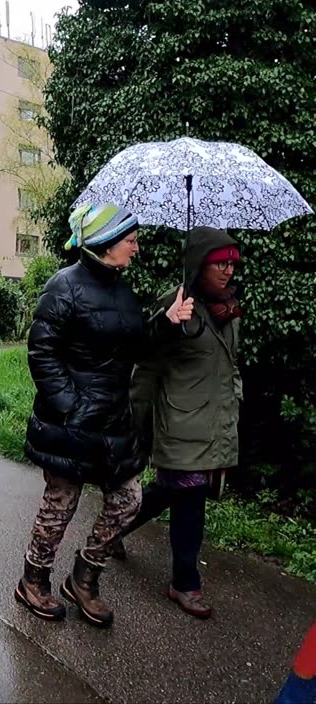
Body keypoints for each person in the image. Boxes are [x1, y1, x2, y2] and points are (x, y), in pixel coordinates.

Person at [14, 202, 192, 628]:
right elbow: (42, 352)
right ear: (107, 243)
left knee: (128, 502)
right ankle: (33, 580)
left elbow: (134, 348)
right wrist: (70, 407)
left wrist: (165, 321)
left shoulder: (123, 291)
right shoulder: (63, 286)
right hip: (70, 424)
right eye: (130, 240)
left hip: (113, 423)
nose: (136, 247)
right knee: (60, 507)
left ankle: (84, 577)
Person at [118, 228, 243, 619]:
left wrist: (235, 392)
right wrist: (139, 425)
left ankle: (113, 528)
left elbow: (229, 363)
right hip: (179, 422)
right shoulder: (174, 304)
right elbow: (146, 364)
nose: (227, 271)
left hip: (215, 420)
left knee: (170, 492)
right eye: (219, 262)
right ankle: (185, 583)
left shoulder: (229, 307)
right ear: (199, 264)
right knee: (189, 499)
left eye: (231, 263)